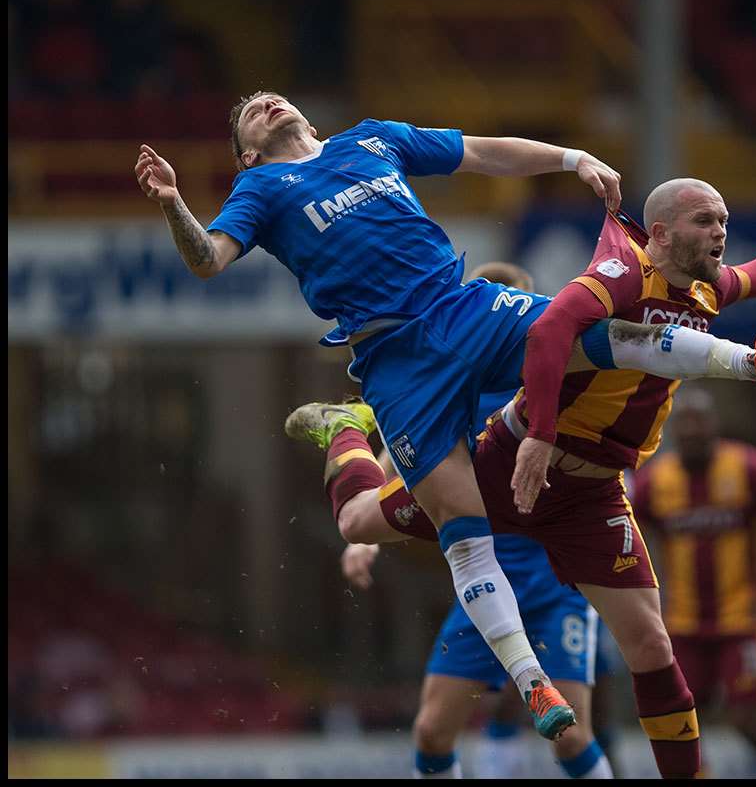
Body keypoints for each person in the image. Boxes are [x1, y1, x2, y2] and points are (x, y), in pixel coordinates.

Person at [286, 181, 756, 777]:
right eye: (706, 220)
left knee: (650, 645)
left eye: (723, 220)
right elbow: (554, 326)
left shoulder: (708, 290)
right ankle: (344, 424)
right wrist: (540, 435)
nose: (721, 232)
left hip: (591, 493)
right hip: (511, 465)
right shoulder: (621, 274)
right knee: (357, 521)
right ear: (660, 231)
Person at [135, 93, 623, 739]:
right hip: (398, 361)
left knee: (595, 327)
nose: (267, 102)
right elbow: (208, 260)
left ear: (310, 120)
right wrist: (173, 203)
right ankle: (533, 684)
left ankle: (746, 361)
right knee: (442, 530)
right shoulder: (262, 187)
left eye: (273, 97)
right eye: (251, 111)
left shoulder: (372, 140)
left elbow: (479, 153)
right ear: (248, 152)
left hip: (458, 309)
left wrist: (572, 156)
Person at [340, 261, 613, 780]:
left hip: (555, 582)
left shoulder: (551, 373)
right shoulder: (443, 383)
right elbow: (396, 462)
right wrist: (366, 542)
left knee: (572, 737)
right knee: (431, 732)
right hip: (485, 578)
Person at [631, 388, 756, 778]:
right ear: (673, 432)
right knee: (682, 726)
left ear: (714, 425)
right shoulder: (654, 482)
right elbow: (622, 538)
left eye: (700, 422)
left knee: (745, 721)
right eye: (684, 424)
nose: (693, 432)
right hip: (682, 626)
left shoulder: (753, 469)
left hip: (742, 623)